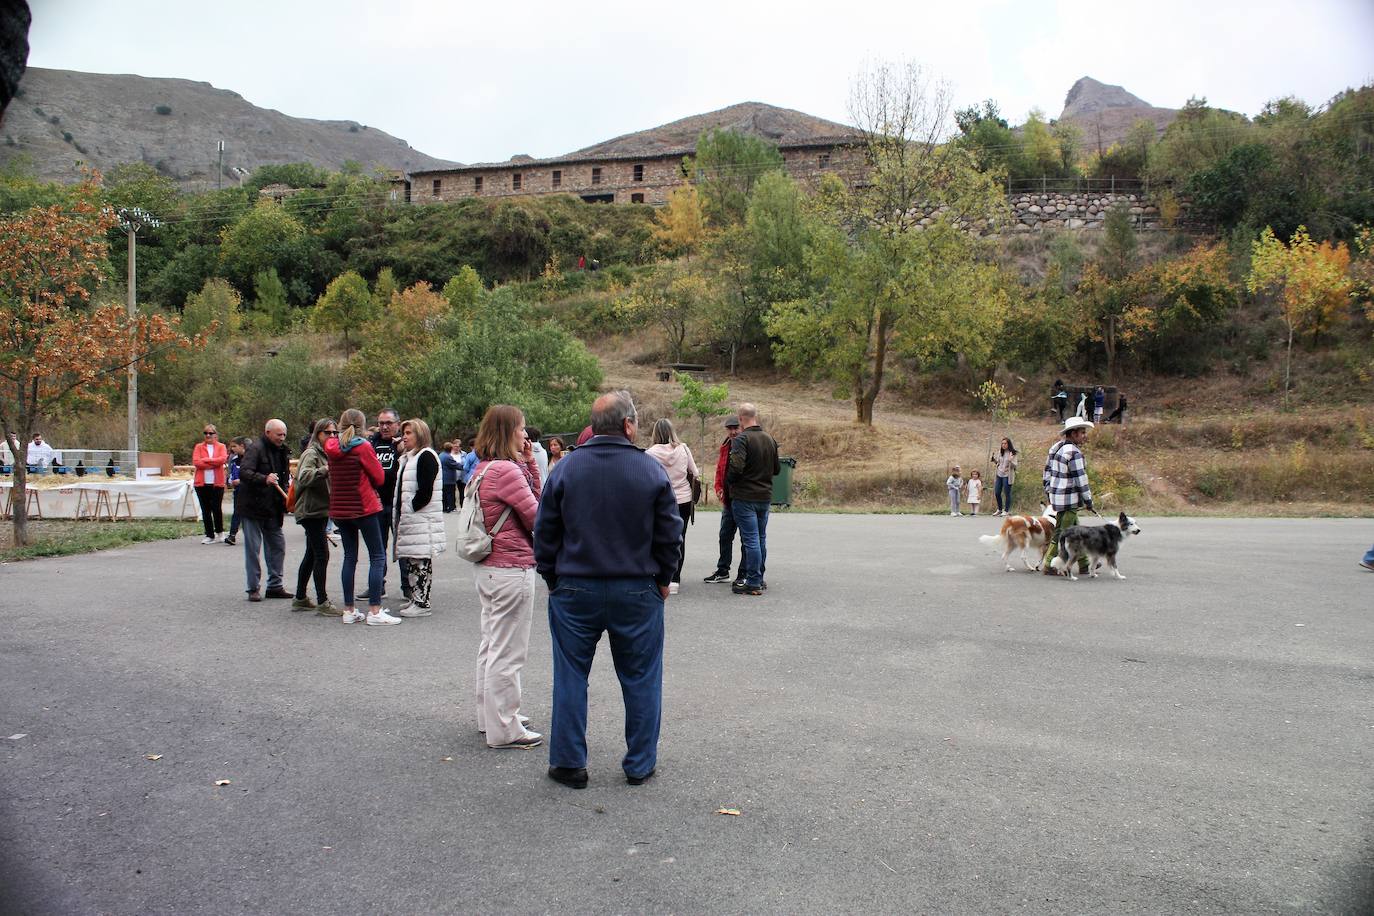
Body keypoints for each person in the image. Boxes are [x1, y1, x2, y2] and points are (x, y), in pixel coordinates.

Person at [535, 391, 683, 788]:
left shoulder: (565, 469)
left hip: (575, 587)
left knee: (570, 675)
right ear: (628, 425)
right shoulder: (649, 471)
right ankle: (639, 763)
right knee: (641, 678)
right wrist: (664, 579)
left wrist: (553, 577)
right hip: (636, 589)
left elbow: (545, 531)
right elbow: (670, 534)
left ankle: (569, 762)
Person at [470, 405, 543, 749]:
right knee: (509, 652)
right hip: (511, 567)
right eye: (521, 429)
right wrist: (528, 468)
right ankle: (505, 727)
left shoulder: (484, 468)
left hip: (489, 568)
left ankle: (491, 717)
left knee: (491, 644)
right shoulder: (507, 472)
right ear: (507, 431)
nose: (525, 435)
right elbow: (538, 516)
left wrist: (527, 463)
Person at [324, 409, 399, 625]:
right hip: (364, 506)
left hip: (340, 508)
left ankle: (349, 609)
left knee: (350, 557)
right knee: (377, 556)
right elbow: (379, 477)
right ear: (362, 425)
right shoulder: (363, 447)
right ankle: (375, 611)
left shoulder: (331, 447)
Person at [394, 418, 445, 618]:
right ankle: (416, 599)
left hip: (422, 521)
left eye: (409, 433)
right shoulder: (409, 458)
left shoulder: (426, 456)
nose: (404, 437)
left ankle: (422, 602)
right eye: (404, 433)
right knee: (414, 563)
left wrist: (410, 507)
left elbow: (425, 491)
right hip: (413, 520)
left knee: (421, 563)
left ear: (420, 435)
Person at [727, 403, 779, 597]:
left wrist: (730, 482)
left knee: (750, 540)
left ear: (741, 419)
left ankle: (753, 581)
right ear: (755, 416)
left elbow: (736, 468)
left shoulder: (741, 440)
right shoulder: (769, 439)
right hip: (764, 496)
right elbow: (777, 469)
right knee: (760, 538)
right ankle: (760, 577)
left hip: (745, 496)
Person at [238, 419, 292, 602]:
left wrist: (288, 497)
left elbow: (284, 477)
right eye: (279, 434)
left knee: (278, 546)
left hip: (273, 507)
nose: (282, 438)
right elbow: (244, 472)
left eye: (284, 434)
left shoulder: (284, 451)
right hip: (252, 507)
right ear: (268, 432)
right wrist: (264, 478)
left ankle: (275, 585)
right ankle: (253, 588)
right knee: (253, 549)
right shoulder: (255, 449)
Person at [645, 418, 698, 595]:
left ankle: (660, 576)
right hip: (683, 499)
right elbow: (695, 473)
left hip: (660, 500)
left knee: (658, 538)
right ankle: (675, 580)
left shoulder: (650, 453)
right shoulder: (683, 448)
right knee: (679, 538)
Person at [1041, 416, 1095, 577]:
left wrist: (1048, 490)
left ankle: (1085, 563)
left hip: (1057, 496)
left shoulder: (1056, 448)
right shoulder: (1074, 453)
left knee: (1075, 530)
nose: (1085, 435)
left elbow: (1047, 471)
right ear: (1073, 433)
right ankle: (1050, 564)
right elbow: (1081, 480)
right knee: (1061, 533)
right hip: (1069, 499)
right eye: (1082, 432)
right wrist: (1088, 500)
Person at [291, 418, 335, 613]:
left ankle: (300, 598)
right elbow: (305, 476)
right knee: (321, 555)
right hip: (311, 511)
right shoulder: (311, 453)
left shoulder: (326, 453)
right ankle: (322, 602)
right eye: (328, 433)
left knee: (311, 554)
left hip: (320, 510)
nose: (332, 436)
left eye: (335, 433)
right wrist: (325, 470)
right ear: (318, 434)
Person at [703, 416, 744, 584]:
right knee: (725, 536)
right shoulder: (725, 445)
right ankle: (723, 570)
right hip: (728, 501)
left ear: (741, 428)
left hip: (742, 499)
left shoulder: (744, 444)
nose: (733, 431)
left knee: (746, 539)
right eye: (730, 428)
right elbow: (720, 469)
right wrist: (718, 487)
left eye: (736, 428)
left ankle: (744, 573)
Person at [370, 408, 402, 600]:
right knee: (377, 548)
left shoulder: (402, 444)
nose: (384, 427)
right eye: (381, 423)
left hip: (397, 503)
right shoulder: (372, 444)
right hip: (377, 503)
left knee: (402, 548)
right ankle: (376, 585)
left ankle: (407, 586)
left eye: (389, 423)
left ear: (397, 424)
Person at [191, 424, 229, 544]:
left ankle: (220, 532)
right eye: (206, 433)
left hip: (217, 483)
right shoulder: (198, 447)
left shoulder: (221, 446)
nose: (208, 435)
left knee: (217, 508)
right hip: (201, 484)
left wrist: (206, 460)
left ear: (216, 435)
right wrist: (213, 462)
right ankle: (209, 535)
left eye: (211, 433)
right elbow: (197, 462)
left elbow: (222, 459)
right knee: (205, 509)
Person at [224, 437, 248, 547]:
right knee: (237, 512)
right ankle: (232, 535)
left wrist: (242, 481)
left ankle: (253, 534)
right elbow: (231, 472)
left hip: (249, 490)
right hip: (237, 490)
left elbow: (253, 474)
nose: (232, 449)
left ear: (242, 446)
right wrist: (230, 481)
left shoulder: (250, 458)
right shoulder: (233, 459)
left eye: (234, 446)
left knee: (249, 514)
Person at [990, 437, 1018, 517]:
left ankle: (1006, 510)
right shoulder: (1000, 452)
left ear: (1008, 444)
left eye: (1005, 443)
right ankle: (999, 509)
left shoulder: (1013, 453)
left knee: (1007, 493)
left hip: (1007, 475)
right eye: (1002, 443)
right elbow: (998, 463)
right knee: (997, 492)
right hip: (999, 474)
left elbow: (1015, 466)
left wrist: (1010, 460)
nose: (1003, 445)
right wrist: (994, 460)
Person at [438, 440, 460, 513]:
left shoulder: (441, 455)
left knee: (444, 494)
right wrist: (465, 466)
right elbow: (455, 465)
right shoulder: (448, 457)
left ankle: (444, 507)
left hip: (443, 478)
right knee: (450, 494)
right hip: (449, 479)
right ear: (451, 449)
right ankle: (451, 507)